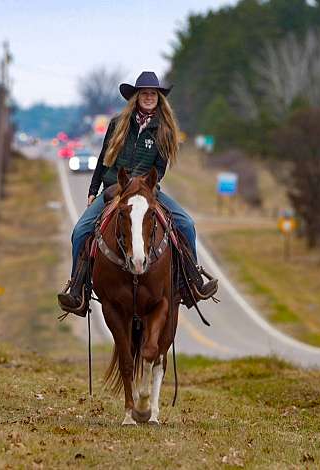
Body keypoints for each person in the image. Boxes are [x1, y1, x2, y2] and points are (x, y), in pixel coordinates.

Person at [58, 71, 218, 316]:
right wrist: (93, 190)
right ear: (136, 97)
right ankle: (77, 291)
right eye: (144, 93)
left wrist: (144, 186)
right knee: (80, 232)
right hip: (114, 189)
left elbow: (160, 168)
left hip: (147, 191)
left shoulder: (164, 130)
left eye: (153, 94)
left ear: (159, 98)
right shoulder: (117, 124)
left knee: (186, 224)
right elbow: (103, 160)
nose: (149, 97)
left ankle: (191, 284)